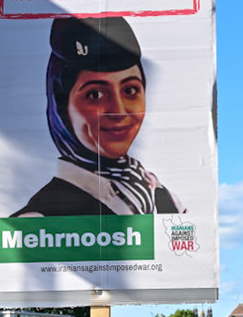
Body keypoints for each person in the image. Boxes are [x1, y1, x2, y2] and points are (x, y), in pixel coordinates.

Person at [11, 15, 183, 217]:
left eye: (130, 91)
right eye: (95, 95)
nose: (118, 111)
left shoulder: (162, 197)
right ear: (62, 107)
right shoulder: (38, 220)